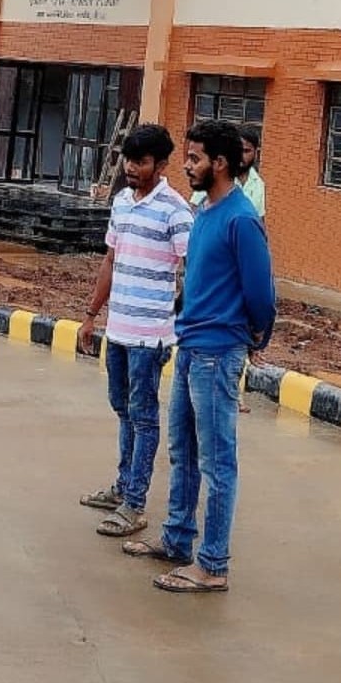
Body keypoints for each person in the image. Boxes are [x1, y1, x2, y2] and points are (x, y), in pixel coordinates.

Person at [123, 119, 276, 594]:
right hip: (190, 345)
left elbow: (262, 294)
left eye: (195, 159)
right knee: (183, 452)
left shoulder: (241, 219)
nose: (187, 166)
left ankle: (212, 564)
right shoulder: (205, 211)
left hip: (217, 353)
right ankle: (177, 539)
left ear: (220, 163)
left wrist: (253, 337)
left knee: (216, 462)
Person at [76, 124, 194, 540]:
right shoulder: (122, 202)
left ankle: (135, 504)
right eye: (128, 159)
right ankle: (123, 486)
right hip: (119, 331)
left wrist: (181, 319)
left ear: (161, 165)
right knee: (123, 409)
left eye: (140, 162)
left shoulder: (176, 211)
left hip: (150, 337)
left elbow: (194, 268)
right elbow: (111, 260)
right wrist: (91, 315)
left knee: (143, 417)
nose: (130, 167)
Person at [237, 124, 266, 218]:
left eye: (246, 151)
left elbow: (259, 219)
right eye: (238, 150)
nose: (241, 156)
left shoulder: (258, 184)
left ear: (256, 153)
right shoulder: (216, 178)